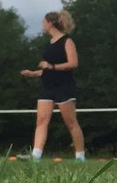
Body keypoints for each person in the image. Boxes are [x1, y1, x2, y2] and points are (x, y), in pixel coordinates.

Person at [20, 9, 85, 162]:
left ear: (50, 23)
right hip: (47, 87)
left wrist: (51, 66)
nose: (42, 25)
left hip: (64, 87)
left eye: (44, 22)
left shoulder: (67, 41)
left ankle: (80, 156)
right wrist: (34, 73)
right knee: (41, 120)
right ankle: (35, 156)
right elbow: (47, 70)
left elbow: (73, 63)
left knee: (71, 122)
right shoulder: (49, 44)